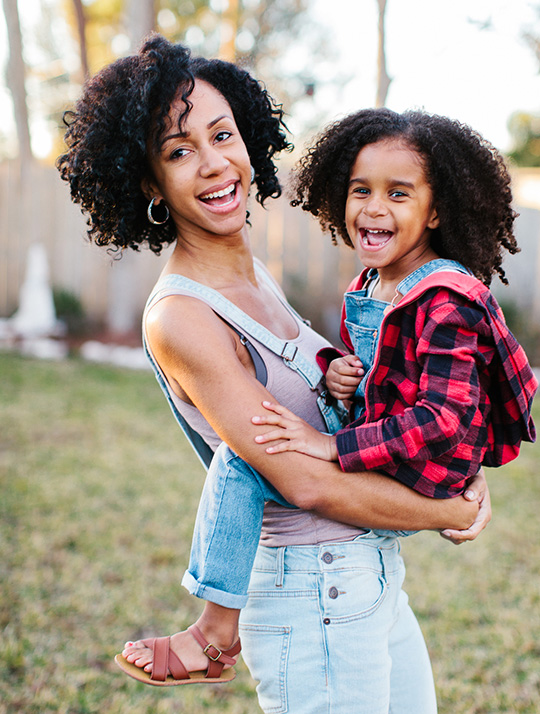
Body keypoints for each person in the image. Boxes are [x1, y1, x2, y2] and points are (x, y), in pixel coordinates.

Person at [57, 34, 491, 714]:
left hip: (369, 578)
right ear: (149, 183)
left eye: (222, 134)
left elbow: (370, 409)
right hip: (310, 596)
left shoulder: (254, 274)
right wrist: (450, 511)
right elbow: (303, 478)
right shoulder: (183, 317)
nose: (213, 164)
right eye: (179, 151)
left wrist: (459, 465)